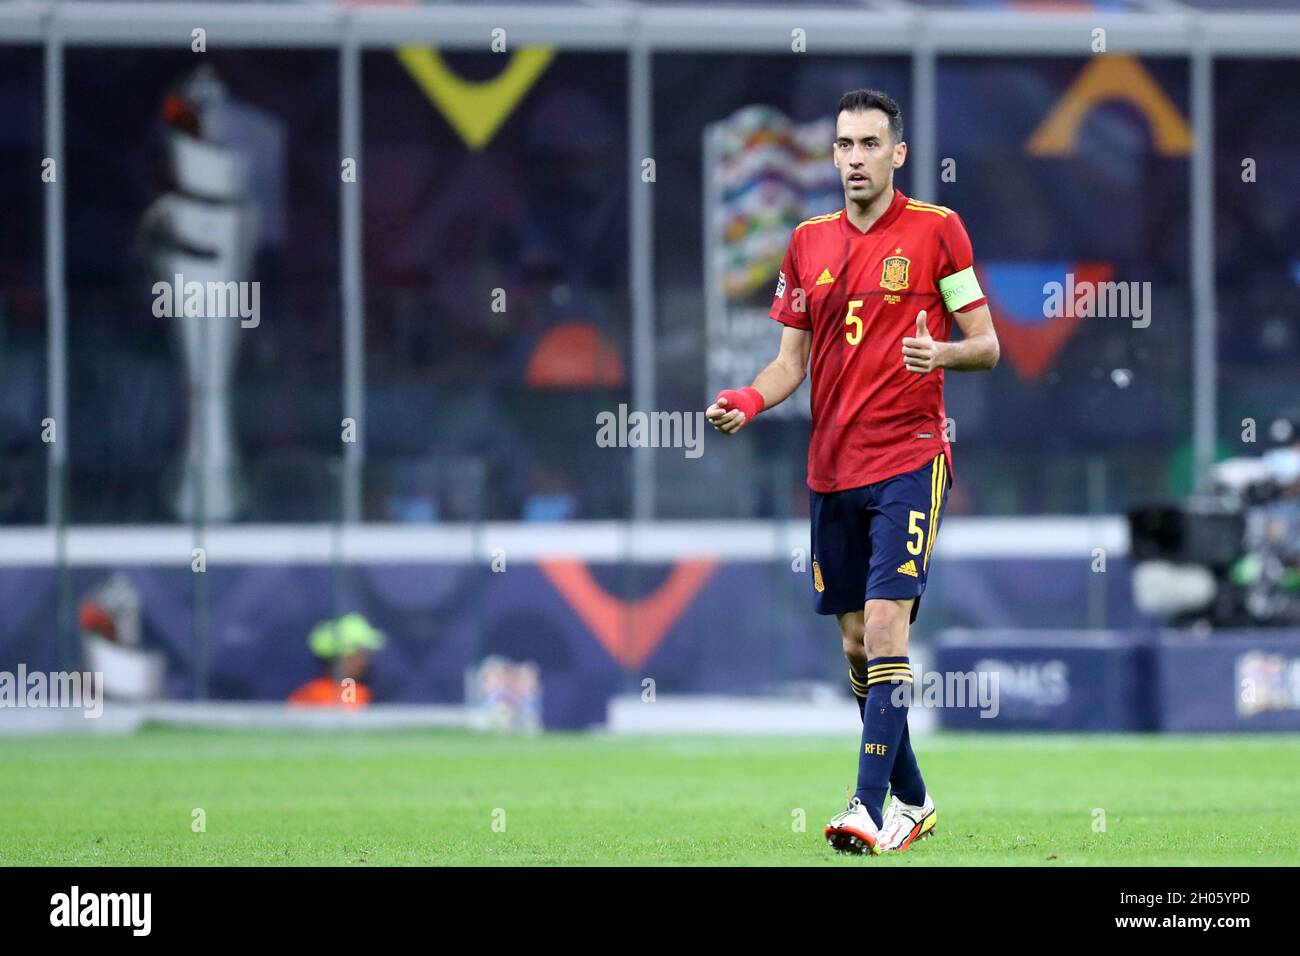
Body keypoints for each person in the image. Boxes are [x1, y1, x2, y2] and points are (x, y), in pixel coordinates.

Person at [706, 89, 999, 854]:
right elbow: (787, 365)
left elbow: (988, 343)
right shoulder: (807, 242)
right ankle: (915, 799)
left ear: (898, 153)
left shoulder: (938, 233)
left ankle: (865, 810)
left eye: (871, 143)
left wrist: (941, 352)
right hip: (831, 470)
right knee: (856, 651)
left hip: (908, 459)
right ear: (832, 155)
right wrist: (746, 398)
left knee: (884, 625)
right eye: (845, 144)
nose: (857, 157)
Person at [287, 614, 386, 708]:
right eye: (362, 654)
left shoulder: (305, 694)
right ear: (342, 659)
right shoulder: (349, 693)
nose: (366, 661)